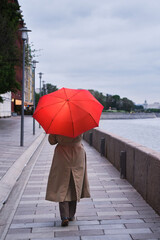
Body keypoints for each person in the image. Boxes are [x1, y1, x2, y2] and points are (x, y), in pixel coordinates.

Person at [45, 134, 90, 227]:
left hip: (62, 156)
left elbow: (51, 141)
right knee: (74, 183)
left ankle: (64, 216)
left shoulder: (57, 125)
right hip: (78, 154)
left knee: (62, 184)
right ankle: (71, 215)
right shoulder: (78, 123)